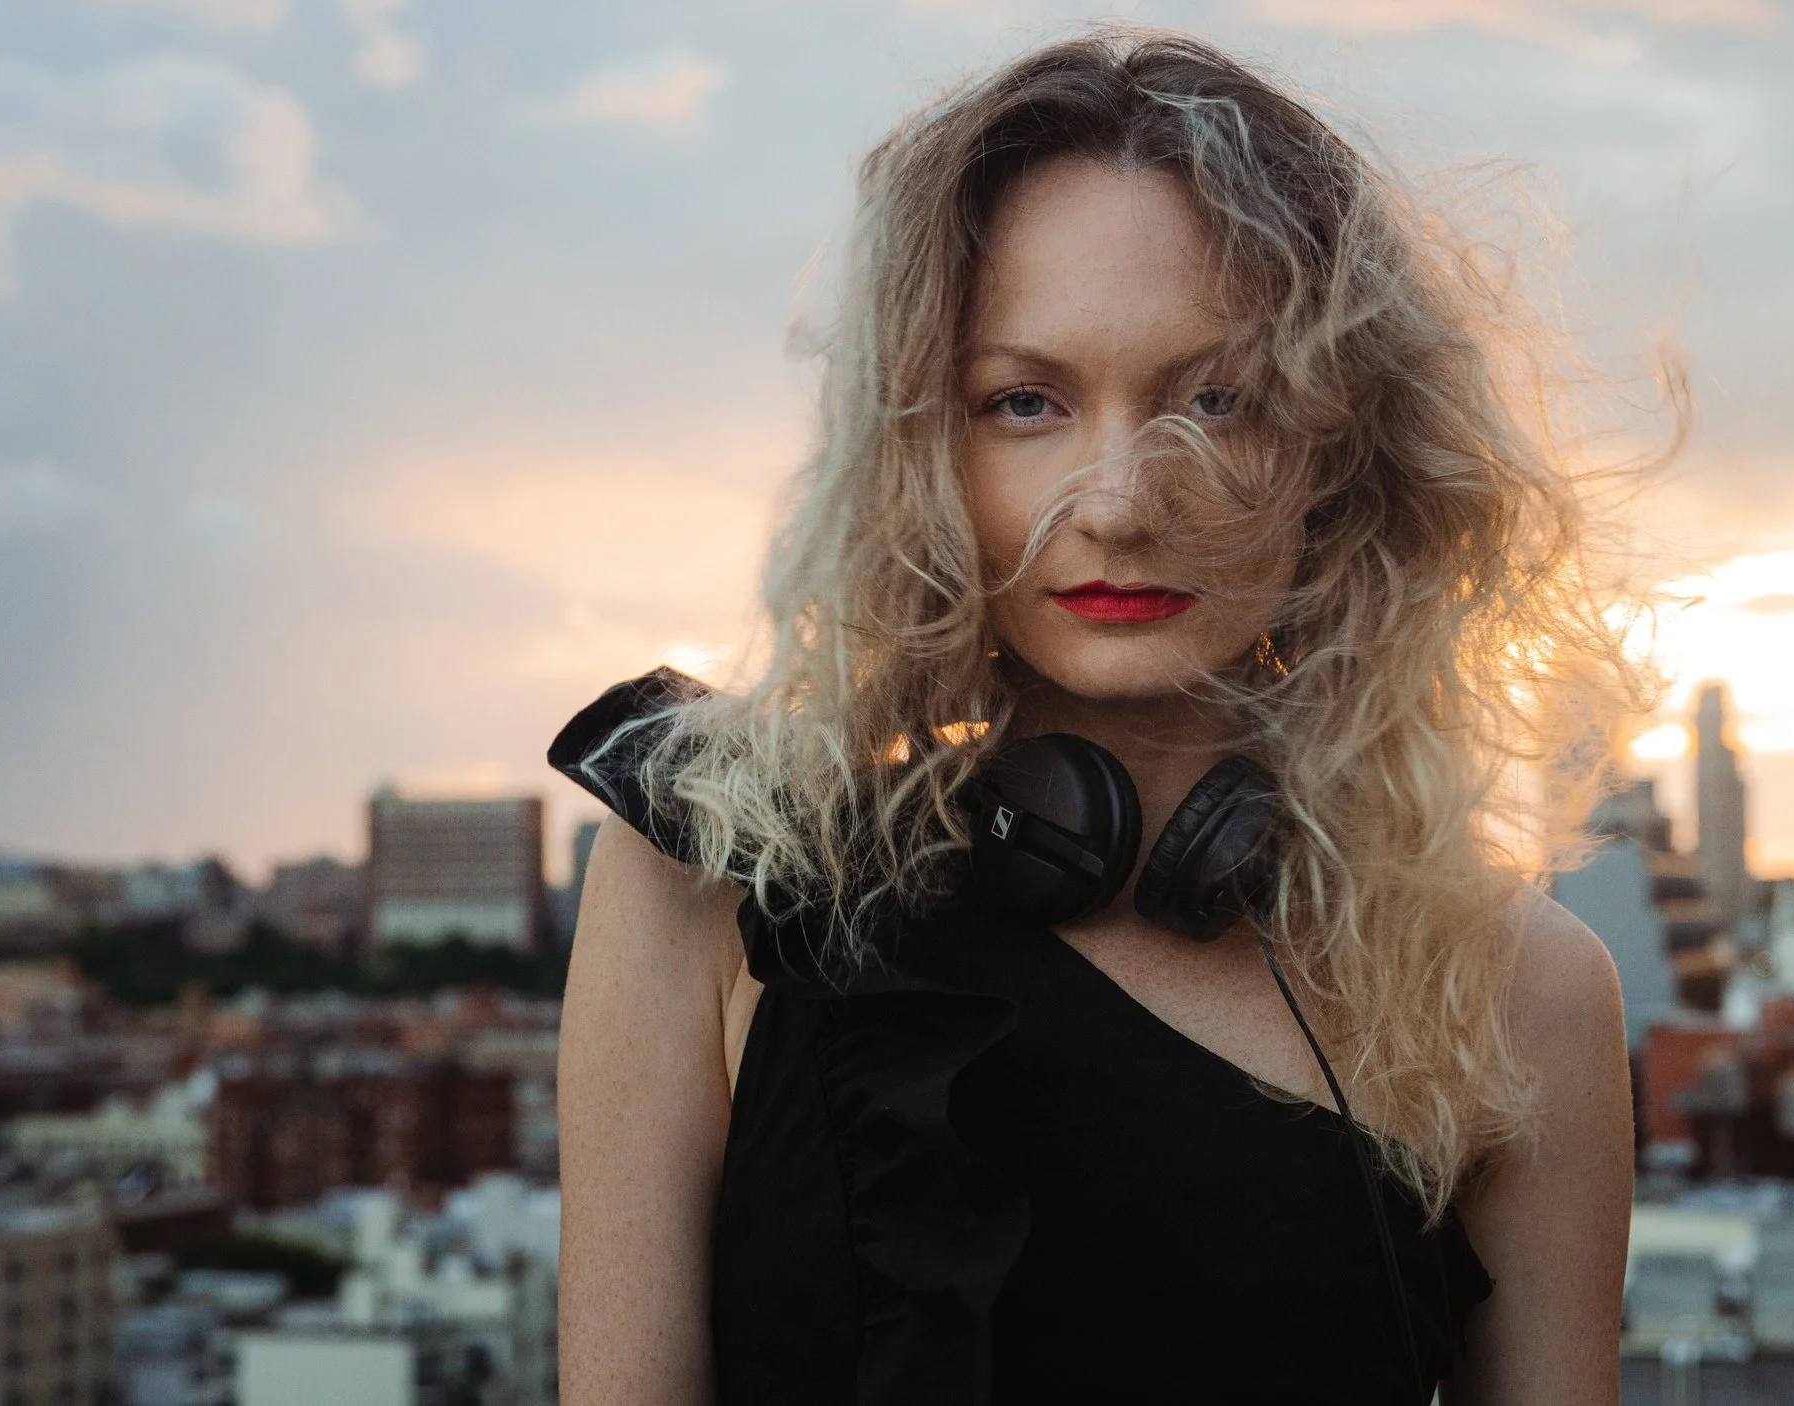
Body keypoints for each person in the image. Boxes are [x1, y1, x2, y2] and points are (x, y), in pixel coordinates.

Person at [554, 29, 1639, 1406]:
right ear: (919, 445)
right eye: (1025, 402)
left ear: (1344, 450)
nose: (1120, 501)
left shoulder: (1521, 990)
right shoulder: (707, 875)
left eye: (1220, 400)